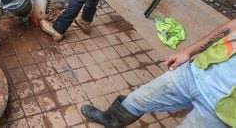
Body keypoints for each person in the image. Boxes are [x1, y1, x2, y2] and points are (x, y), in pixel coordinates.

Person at [81, 19, 236, 127]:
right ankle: (111, 120)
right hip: (197, 70)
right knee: (136, 100)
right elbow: (232, 26)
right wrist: (189, 51)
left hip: (224, 110)